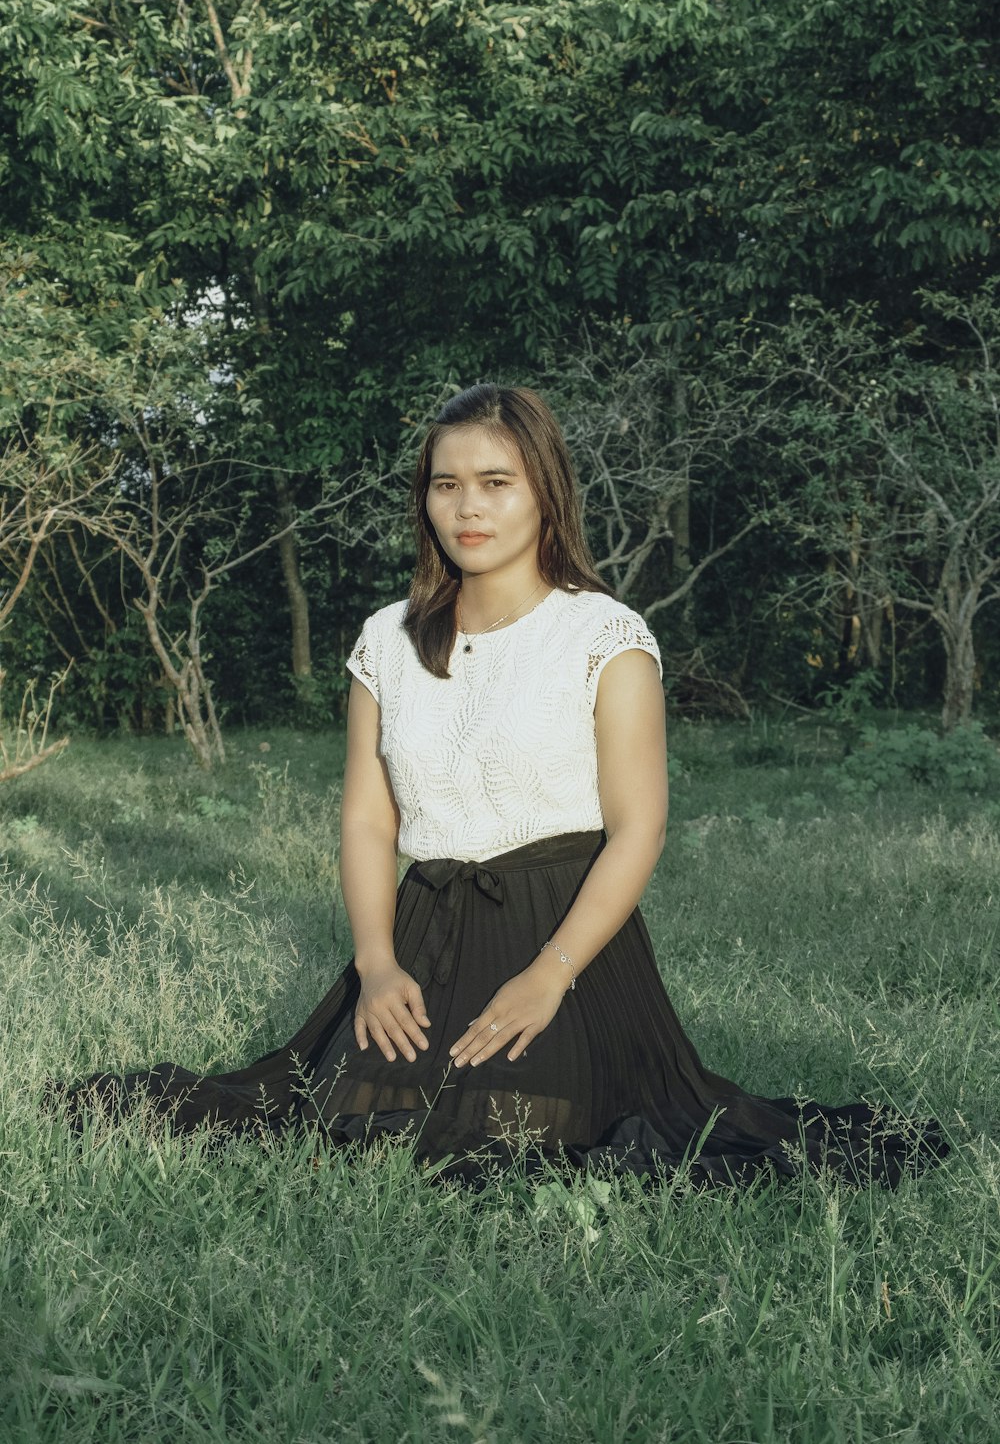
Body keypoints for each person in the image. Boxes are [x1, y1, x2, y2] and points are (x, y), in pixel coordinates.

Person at [64, 385, 945, 1186]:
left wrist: (549, 975)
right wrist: (375, 964)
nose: (468, 506)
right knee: (348, 1120)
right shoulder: (388, 639)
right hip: (423, 936)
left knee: (535, 1137)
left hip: (562, 935)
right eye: (446, 485)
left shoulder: (604, 636)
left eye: (495, 481)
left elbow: (639, 829)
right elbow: (369, 820)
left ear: (544, 492)